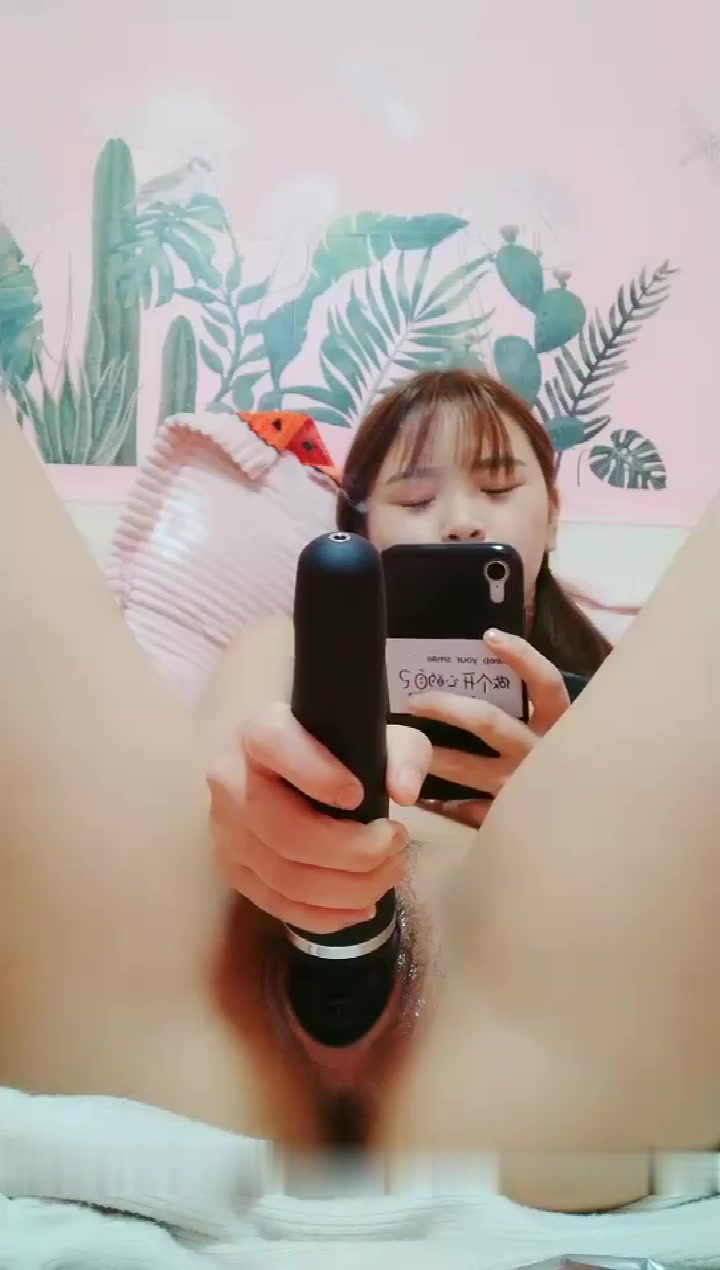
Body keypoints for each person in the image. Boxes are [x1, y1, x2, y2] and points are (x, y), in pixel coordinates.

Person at [0, 371, 719, 1221]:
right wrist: (261, 801)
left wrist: (561, 799)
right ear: (361, 529)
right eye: (414, 497)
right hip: (209, 995)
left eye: (497, 487)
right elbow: (218, 761)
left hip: (524, 1034)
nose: (462, 520)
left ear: (554, 516)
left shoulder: (628, 704)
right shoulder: (279, 641)